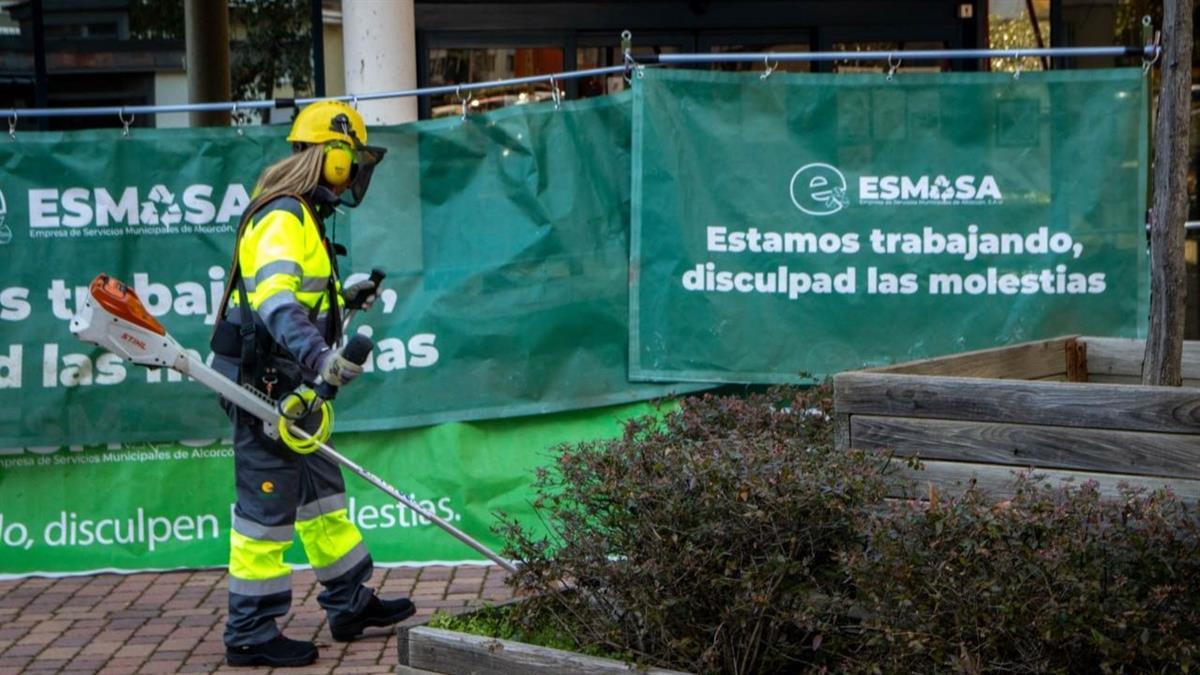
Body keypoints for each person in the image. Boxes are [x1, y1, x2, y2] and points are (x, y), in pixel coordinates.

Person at [209, 100, 413, 668]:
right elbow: (274, 302)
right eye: (355, 162)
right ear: (335, 159)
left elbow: (291, 295)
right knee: (265, 507)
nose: (357, 177)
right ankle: (249, 631)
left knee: (321, 491)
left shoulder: (304, 215)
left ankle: (348, 602)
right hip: (261, 380)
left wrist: (342, 299)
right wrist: (321, 355)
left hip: (284, 373)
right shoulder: (283, 216)